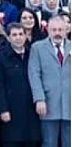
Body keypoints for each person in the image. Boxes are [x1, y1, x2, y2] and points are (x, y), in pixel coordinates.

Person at [0, 23, 42, 147]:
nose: (18, 38)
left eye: (21, 34)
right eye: (14, 35)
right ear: (8, 38)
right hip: (11, 111)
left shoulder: (33, 53)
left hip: (31, 112)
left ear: (26, 36)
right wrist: (3, 109)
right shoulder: (0, 56)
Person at [27, 15, 71, 147]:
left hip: (70, 103)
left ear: (66, 30)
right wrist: (39, 99)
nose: (57, 33)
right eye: (54, 30)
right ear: (48, 30)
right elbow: (34, 74)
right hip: (48, 103)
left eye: (60, 30)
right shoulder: (37, 48)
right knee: (49, 142)